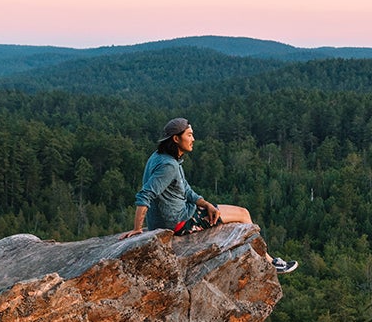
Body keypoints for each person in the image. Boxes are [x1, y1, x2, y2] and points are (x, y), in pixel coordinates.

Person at [119, 117, 298, 274]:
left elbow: (185, 190)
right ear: (176, 138)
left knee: (225, 212)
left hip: (173, 217)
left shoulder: (160, 157)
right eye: (189, 135)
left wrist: (205, 204)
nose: (193, 139)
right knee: (243, 214)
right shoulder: (169, 166)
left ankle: (266, 259)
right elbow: (145, 195)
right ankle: (269, 263)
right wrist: (137, 229)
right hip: (179, 223)